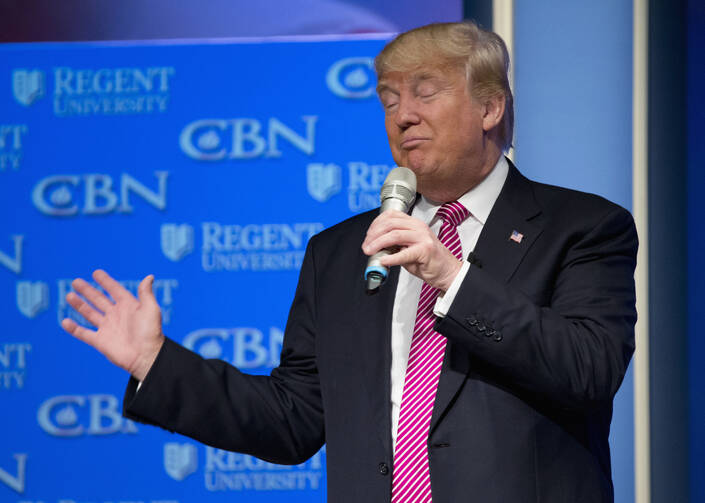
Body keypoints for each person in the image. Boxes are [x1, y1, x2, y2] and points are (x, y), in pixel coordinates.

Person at [61, 21, 637, 503]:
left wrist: (451, 277)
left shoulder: (581, 228)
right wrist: (154, 361)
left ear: (489, 107)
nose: (402, 115)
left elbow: (587, 371)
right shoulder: (340, 253)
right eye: (389, 99)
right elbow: (292, 419)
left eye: (425, 92)